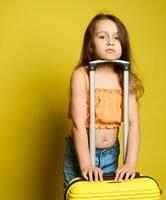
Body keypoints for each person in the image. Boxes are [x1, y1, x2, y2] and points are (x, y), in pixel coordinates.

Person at [63, 13, 144, 192]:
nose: (110, 42)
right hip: (80, 154)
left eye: (116, 37)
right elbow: (78, 125)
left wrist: (130, 163)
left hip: (111, 155)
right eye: (102, 36)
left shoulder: (125, 78)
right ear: (91, 45)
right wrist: (85, 165)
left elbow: (133, 124)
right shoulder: (80, 76)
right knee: (80, 194)